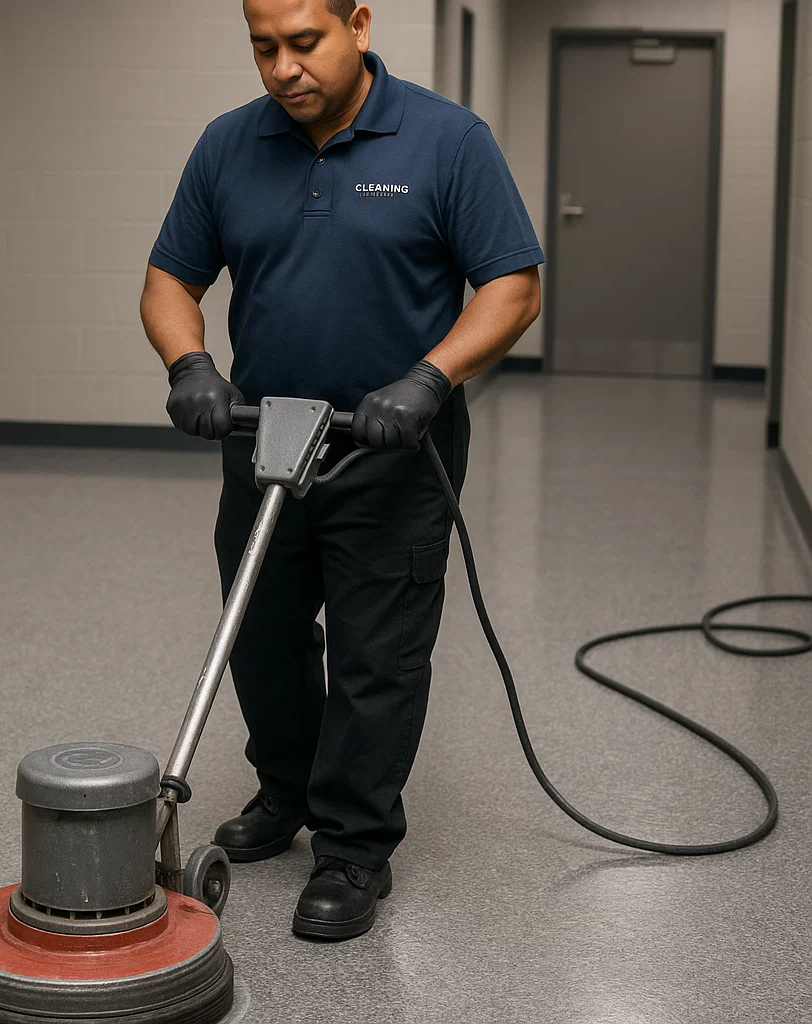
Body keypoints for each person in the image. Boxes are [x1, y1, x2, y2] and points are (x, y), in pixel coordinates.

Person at [139, 0, 542, 941]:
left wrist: (430, 378)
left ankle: (355, 846)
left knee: (376, 652)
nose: (283, 67)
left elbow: (512, 286)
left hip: (391, 449)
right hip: (266, 442)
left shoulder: (448, 141)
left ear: (358, 26)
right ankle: (286, 789)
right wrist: (190, 363)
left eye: (304, 42)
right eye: (263, 47)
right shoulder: (228, 145)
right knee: (261, 634)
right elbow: (170, 279)